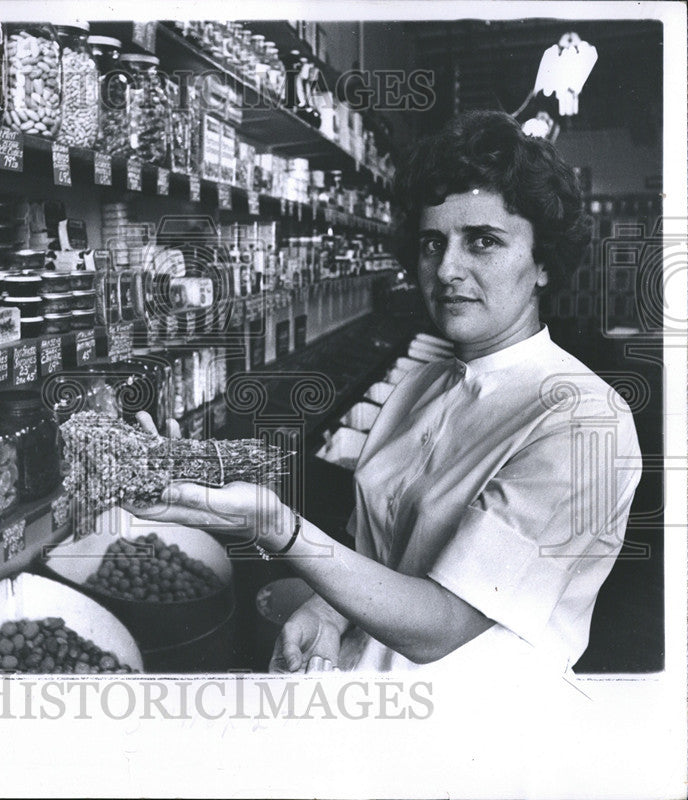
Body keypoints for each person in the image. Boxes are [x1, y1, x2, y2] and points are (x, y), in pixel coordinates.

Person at [132, 110, 642, 680]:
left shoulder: (580, 418)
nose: (447, 268)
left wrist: (277, 527)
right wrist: (326, 609)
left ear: (542, 261)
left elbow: (444, 623)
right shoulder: (422, 384)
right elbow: (378, 546)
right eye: (432, 243)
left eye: (483, 242)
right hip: (368, 696)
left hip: (479, 732)